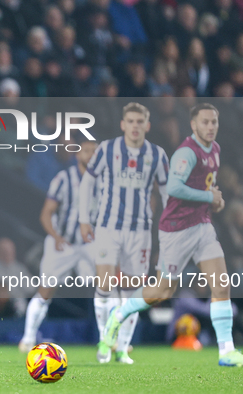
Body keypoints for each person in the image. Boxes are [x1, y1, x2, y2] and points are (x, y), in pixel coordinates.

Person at [102, 103, 243, 367]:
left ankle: (226, 352)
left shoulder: (216, 150)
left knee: (221, 284)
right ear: (193, 125)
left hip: (203, 227)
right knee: (163, 290)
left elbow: (203, 185)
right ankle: (119, 314)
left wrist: (213, 201)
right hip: (177, 230)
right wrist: (209, 196)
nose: (210, 127)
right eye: (205, 122)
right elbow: (174, 187)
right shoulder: (186, 152)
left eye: (214, 122)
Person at [79, 102, 169, 364]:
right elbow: (88, 182)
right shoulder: (107, 149)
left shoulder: (157, 154)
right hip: (108, 227)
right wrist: (85, 219)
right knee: (105, 285)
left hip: (140, 230)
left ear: (147, 126)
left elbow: (166, 195)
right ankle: (105, 342)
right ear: (123, 124)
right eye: (130, 121)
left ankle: (122, 348)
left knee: (134, 292)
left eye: (140, 122)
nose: (135, 126)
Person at [19, 139, 98, 352]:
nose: (91, 155)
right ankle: (27, 338)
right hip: (62, 242)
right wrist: (55, 236)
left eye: (95, 151)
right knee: (46, 289)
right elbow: (46, 213)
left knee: (107, 288)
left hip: (89, 244)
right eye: (87, 150)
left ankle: (113, 340)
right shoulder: (64, 178)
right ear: (78, 154)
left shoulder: (104, 183)